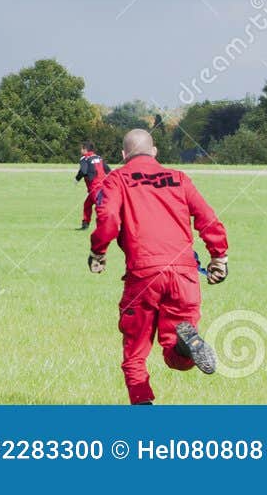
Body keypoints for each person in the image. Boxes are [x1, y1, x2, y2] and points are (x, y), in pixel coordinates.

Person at [89, 128, 229, 405]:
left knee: (135, 351)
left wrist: (98, 252)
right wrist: (219, 257)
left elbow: (107, 220)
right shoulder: (179, 178)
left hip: (144, 275)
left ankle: (143, 407)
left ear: (123, 155)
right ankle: (184, 345)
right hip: (185, 274)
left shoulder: (117, 178)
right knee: (176, 359)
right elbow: (207, 217)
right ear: (154, 152)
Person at [75, 141, 108, 230]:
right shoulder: (99, 158)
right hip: (102, 187)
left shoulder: (84, 158)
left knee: (100, 207)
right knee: (87, 204)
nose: (80, 150)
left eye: (81, 148)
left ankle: (104, 225)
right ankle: (85, 224)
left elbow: (83, 171)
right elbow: (108, 170)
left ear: (85, 149)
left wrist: (77, 179)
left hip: (94, 188)